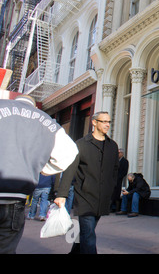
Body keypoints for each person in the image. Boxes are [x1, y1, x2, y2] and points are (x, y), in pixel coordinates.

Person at [0, 95, 78, 254]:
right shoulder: (47, 121)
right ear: (35, 107)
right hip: (15, 198)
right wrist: (44, 169)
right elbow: (70, 152)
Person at [54, 111, 119, 254]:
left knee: (86, 231)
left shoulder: (112, 146)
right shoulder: (80, 144)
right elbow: (70, 170)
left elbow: (115, 170)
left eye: (109, 122)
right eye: (104, 121)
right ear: (94, 122)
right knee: (88, 234)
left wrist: (112, 188)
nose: (108, 125)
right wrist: (62, 194)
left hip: (102, 197)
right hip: (84, 195)